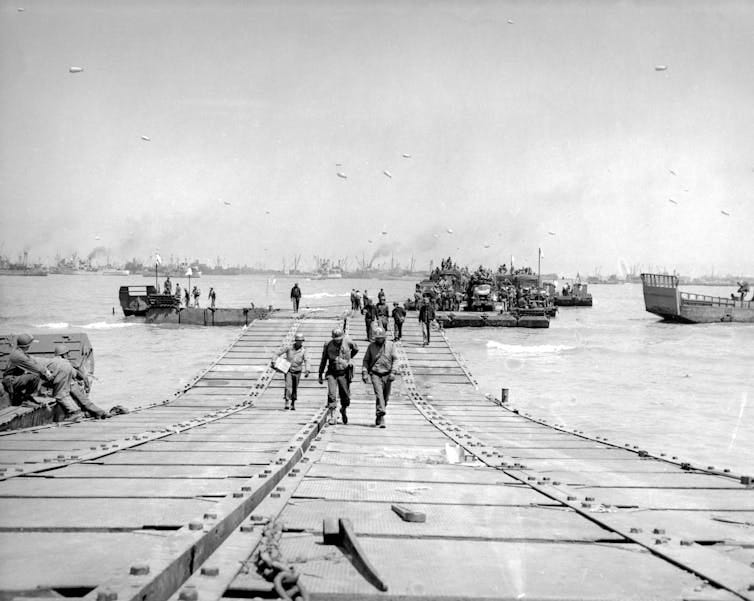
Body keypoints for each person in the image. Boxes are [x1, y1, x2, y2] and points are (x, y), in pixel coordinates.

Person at [46, 344, 106, 419]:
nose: (68, 355)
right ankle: (98, 412)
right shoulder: (65, 363)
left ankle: (92, 412)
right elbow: (77, 374)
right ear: (63, 355)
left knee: (74, 395)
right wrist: (84, 381)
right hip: (70, 384)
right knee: (82, 399)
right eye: (67, 354)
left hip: (65, 385)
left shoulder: (54, 362)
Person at [318, 328, 358, 425]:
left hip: (344, 373)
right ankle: (332, 415)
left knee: (345, 395)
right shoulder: (328, 344)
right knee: (331, 394)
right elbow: (324, 359)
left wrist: (349, 359)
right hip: (332, 372)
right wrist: (320, 373)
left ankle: (343, 409)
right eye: (336, 339)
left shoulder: (348, 341)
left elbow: (356, 349)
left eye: (339, 339)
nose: (338, 341)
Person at [362, 327, 399, 428]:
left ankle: (378, 415)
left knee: (385, 397)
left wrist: (393, 372)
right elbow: (366, 360)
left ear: (384, 337)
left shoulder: (391, 345)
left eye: (380, 338)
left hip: (387, 374)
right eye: (377, 338)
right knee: (379, 395)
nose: (378, 340)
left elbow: (395, 359)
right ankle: (382, 416)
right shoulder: (371, 347)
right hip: (375, 374)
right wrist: (365, 372)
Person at [2, 334, 52, 407]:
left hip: (13, 379)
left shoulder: (18, 351)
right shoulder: (19, 356)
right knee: (35, 376)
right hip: (11, 381)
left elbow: (33, 361)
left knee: (34, 374)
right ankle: (25, 399)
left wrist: (45, 370)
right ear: (27, 346)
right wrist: (47, 374)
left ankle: (26, 397)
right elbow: (36, 369)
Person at [271, 333, 309, 410]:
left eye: (301, 341)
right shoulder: (289, 348)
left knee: (295, 387)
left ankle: (293, 402)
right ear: (296, 340)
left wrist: (307, 369)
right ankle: (287, 401)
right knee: (288, 386)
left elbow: (307, 360)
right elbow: (278, 353)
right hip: (288, 370)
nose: (300, 342)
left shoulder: (303, 350)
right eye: (298, 340)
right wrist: (273, 360)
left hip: (298, 370)